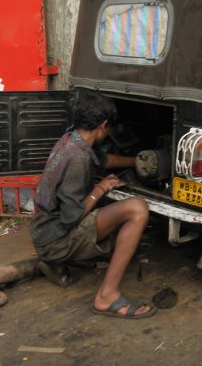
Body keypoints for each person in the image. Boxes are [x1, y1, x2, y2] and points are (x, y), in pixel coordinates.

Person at [31, 89, 156, 319]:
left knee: (113, 207)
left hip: (42, 231)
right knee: (137, 209)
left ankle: (57, 266)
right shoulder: (78, 158)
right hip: (55, 241)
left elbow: (103, 160)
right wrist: (100, 189)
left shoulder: (71, 140)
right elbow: (72, 217)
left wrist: (136, 161)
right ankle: (106, 296)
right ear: (104, 125)